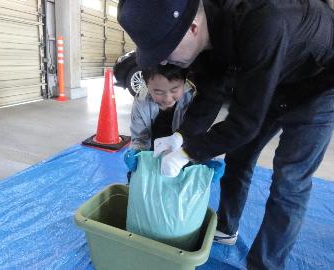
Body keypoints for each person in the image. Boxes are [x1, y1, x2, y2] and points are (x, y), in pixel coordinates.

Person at [118, 0, 334, 269]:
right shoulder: (207, 38)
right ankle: (227, 227)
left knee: (289, 180)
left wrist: (189, 152)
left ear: (192, 27)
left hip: (319, 84)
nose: (163, 61)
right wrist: (181, 137)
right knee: (239, 156)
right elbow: (210, 96)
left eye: (164, 51)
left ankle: (264, 265)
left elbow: (246, 122)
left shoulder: (263, 20)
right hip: (273, 77)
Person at [123, 64, 225, 180]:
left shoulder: (194, 99)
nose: (167, 98)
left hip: (182, 155)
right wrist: (137, 151)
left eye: (174, 90)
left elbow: (197, 136)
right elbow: (140, 138)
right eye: (158, 92)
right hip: (152, 154)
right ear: (147, 85)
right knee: (139, 181)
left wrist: (204, 158)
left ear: (184, 82)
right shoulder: (141, 103)